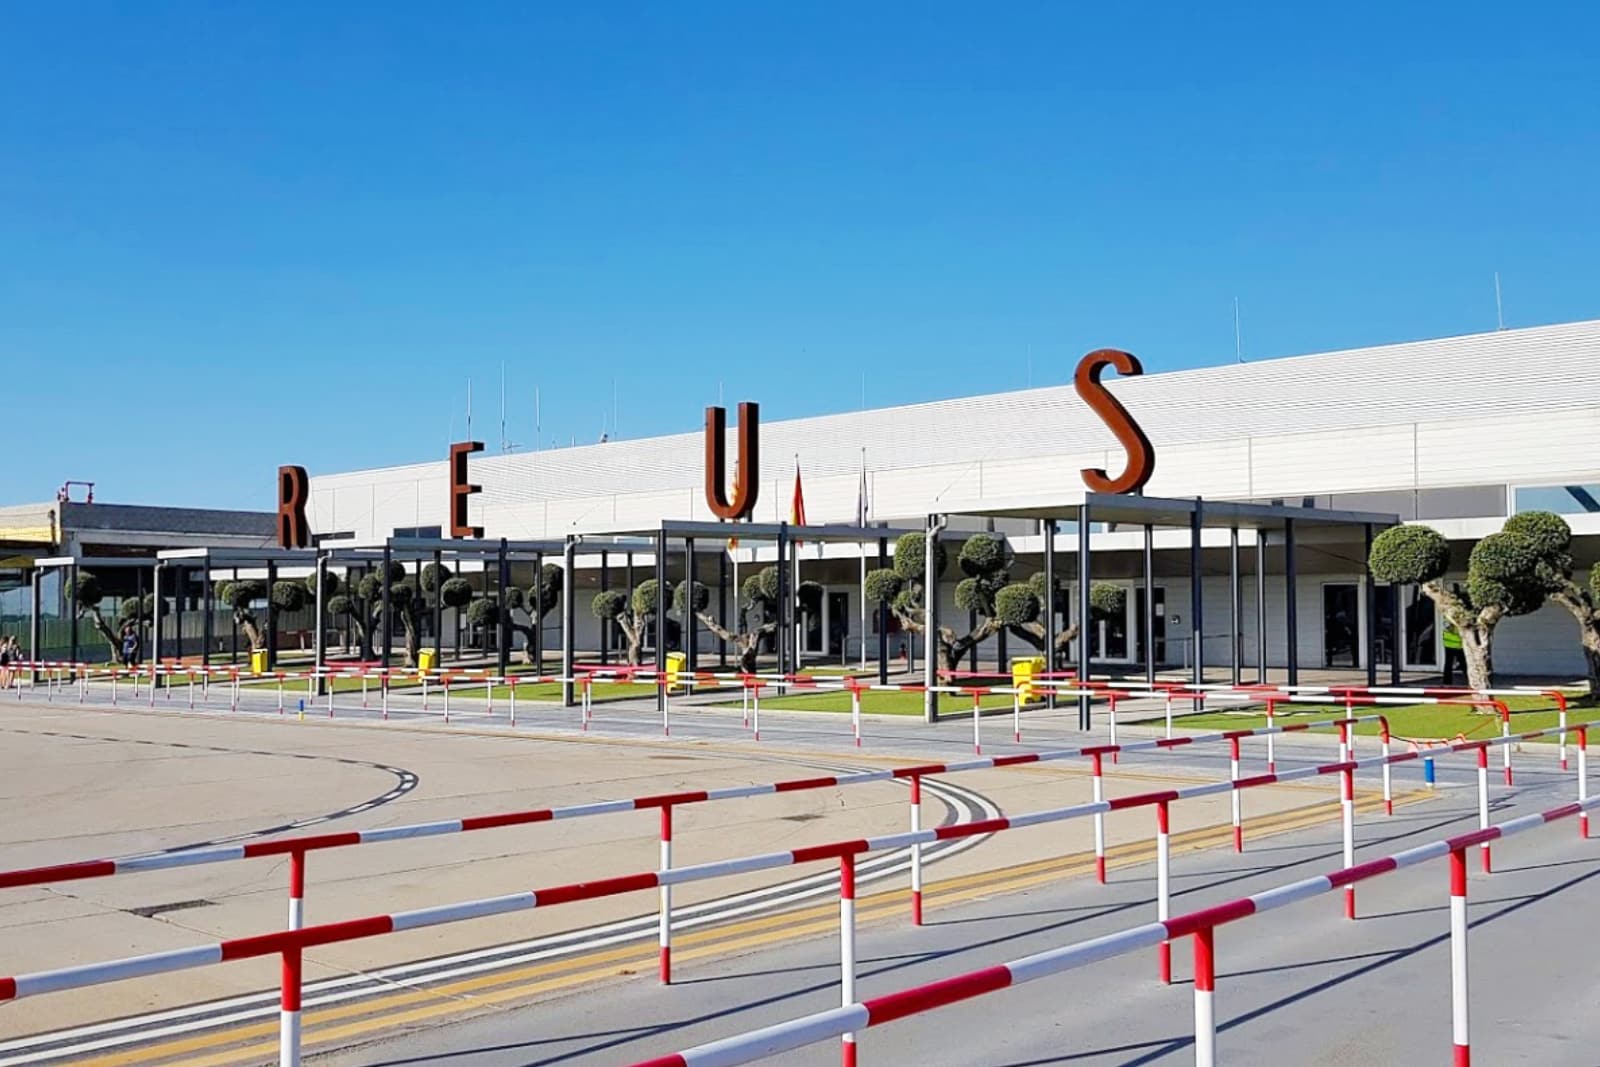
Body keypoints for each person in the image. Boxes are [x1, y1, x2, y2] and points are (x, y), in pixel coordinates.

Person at [1442, 619, 1467, 686]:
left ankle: (1447, 683)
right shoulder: (1451, 618)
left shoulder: (1448, 618)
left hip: (1451, 644)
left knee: (1450, 664)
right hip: (1455, 644)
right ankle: (1447, 683)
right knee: (1463, 664)